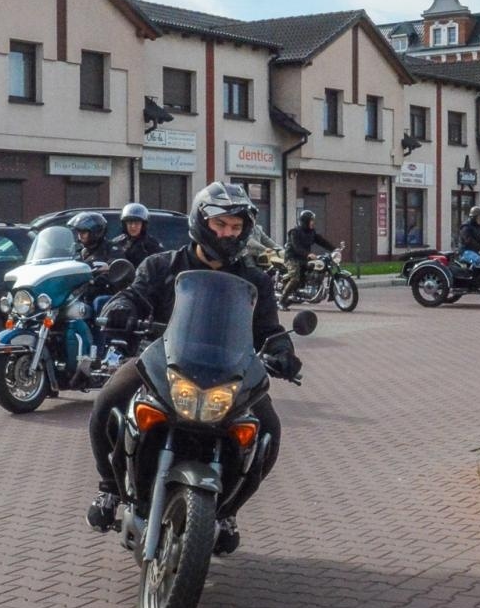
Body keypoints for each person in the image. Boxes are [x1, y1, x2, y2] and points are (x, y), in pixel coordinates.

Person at [87, 182, 299, 556]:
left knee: (269, 431)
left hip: (229, 374)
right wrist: (121, 308)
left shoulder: (256, 280)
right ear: (201, 222)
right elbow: (134, 295)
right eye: (221, 224)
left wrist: (282, 348)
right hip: (162, 363)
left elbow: (269, 328)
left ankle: (228, 511)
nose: (228, 233)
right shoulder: (161, 266)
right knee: (108, 401)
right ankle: (109, 487)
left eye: (236, 227)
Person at [281, 208, 336, 308]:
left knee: (313, 270)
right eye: (311, 220)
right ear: (305, 221)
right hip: (292, 258)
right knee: (295, 279)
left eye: (313, 220)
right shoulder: (295, 232)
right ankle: (282, 301)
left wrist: (334, 249)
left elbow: (321, 241)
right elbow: (296, 247)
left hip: (304, 258)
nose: (313, 222)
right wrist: (308, 254)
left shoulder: (311, 232)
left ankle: (307, 289)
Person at [114, 202, 164, 267]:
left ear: (143, 225)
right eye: (130, 223)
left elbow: (161, 266)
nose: (133, 226)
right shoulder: (116, 243)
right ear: (125, 224)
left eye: (137, 223)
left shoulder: (152, 245)